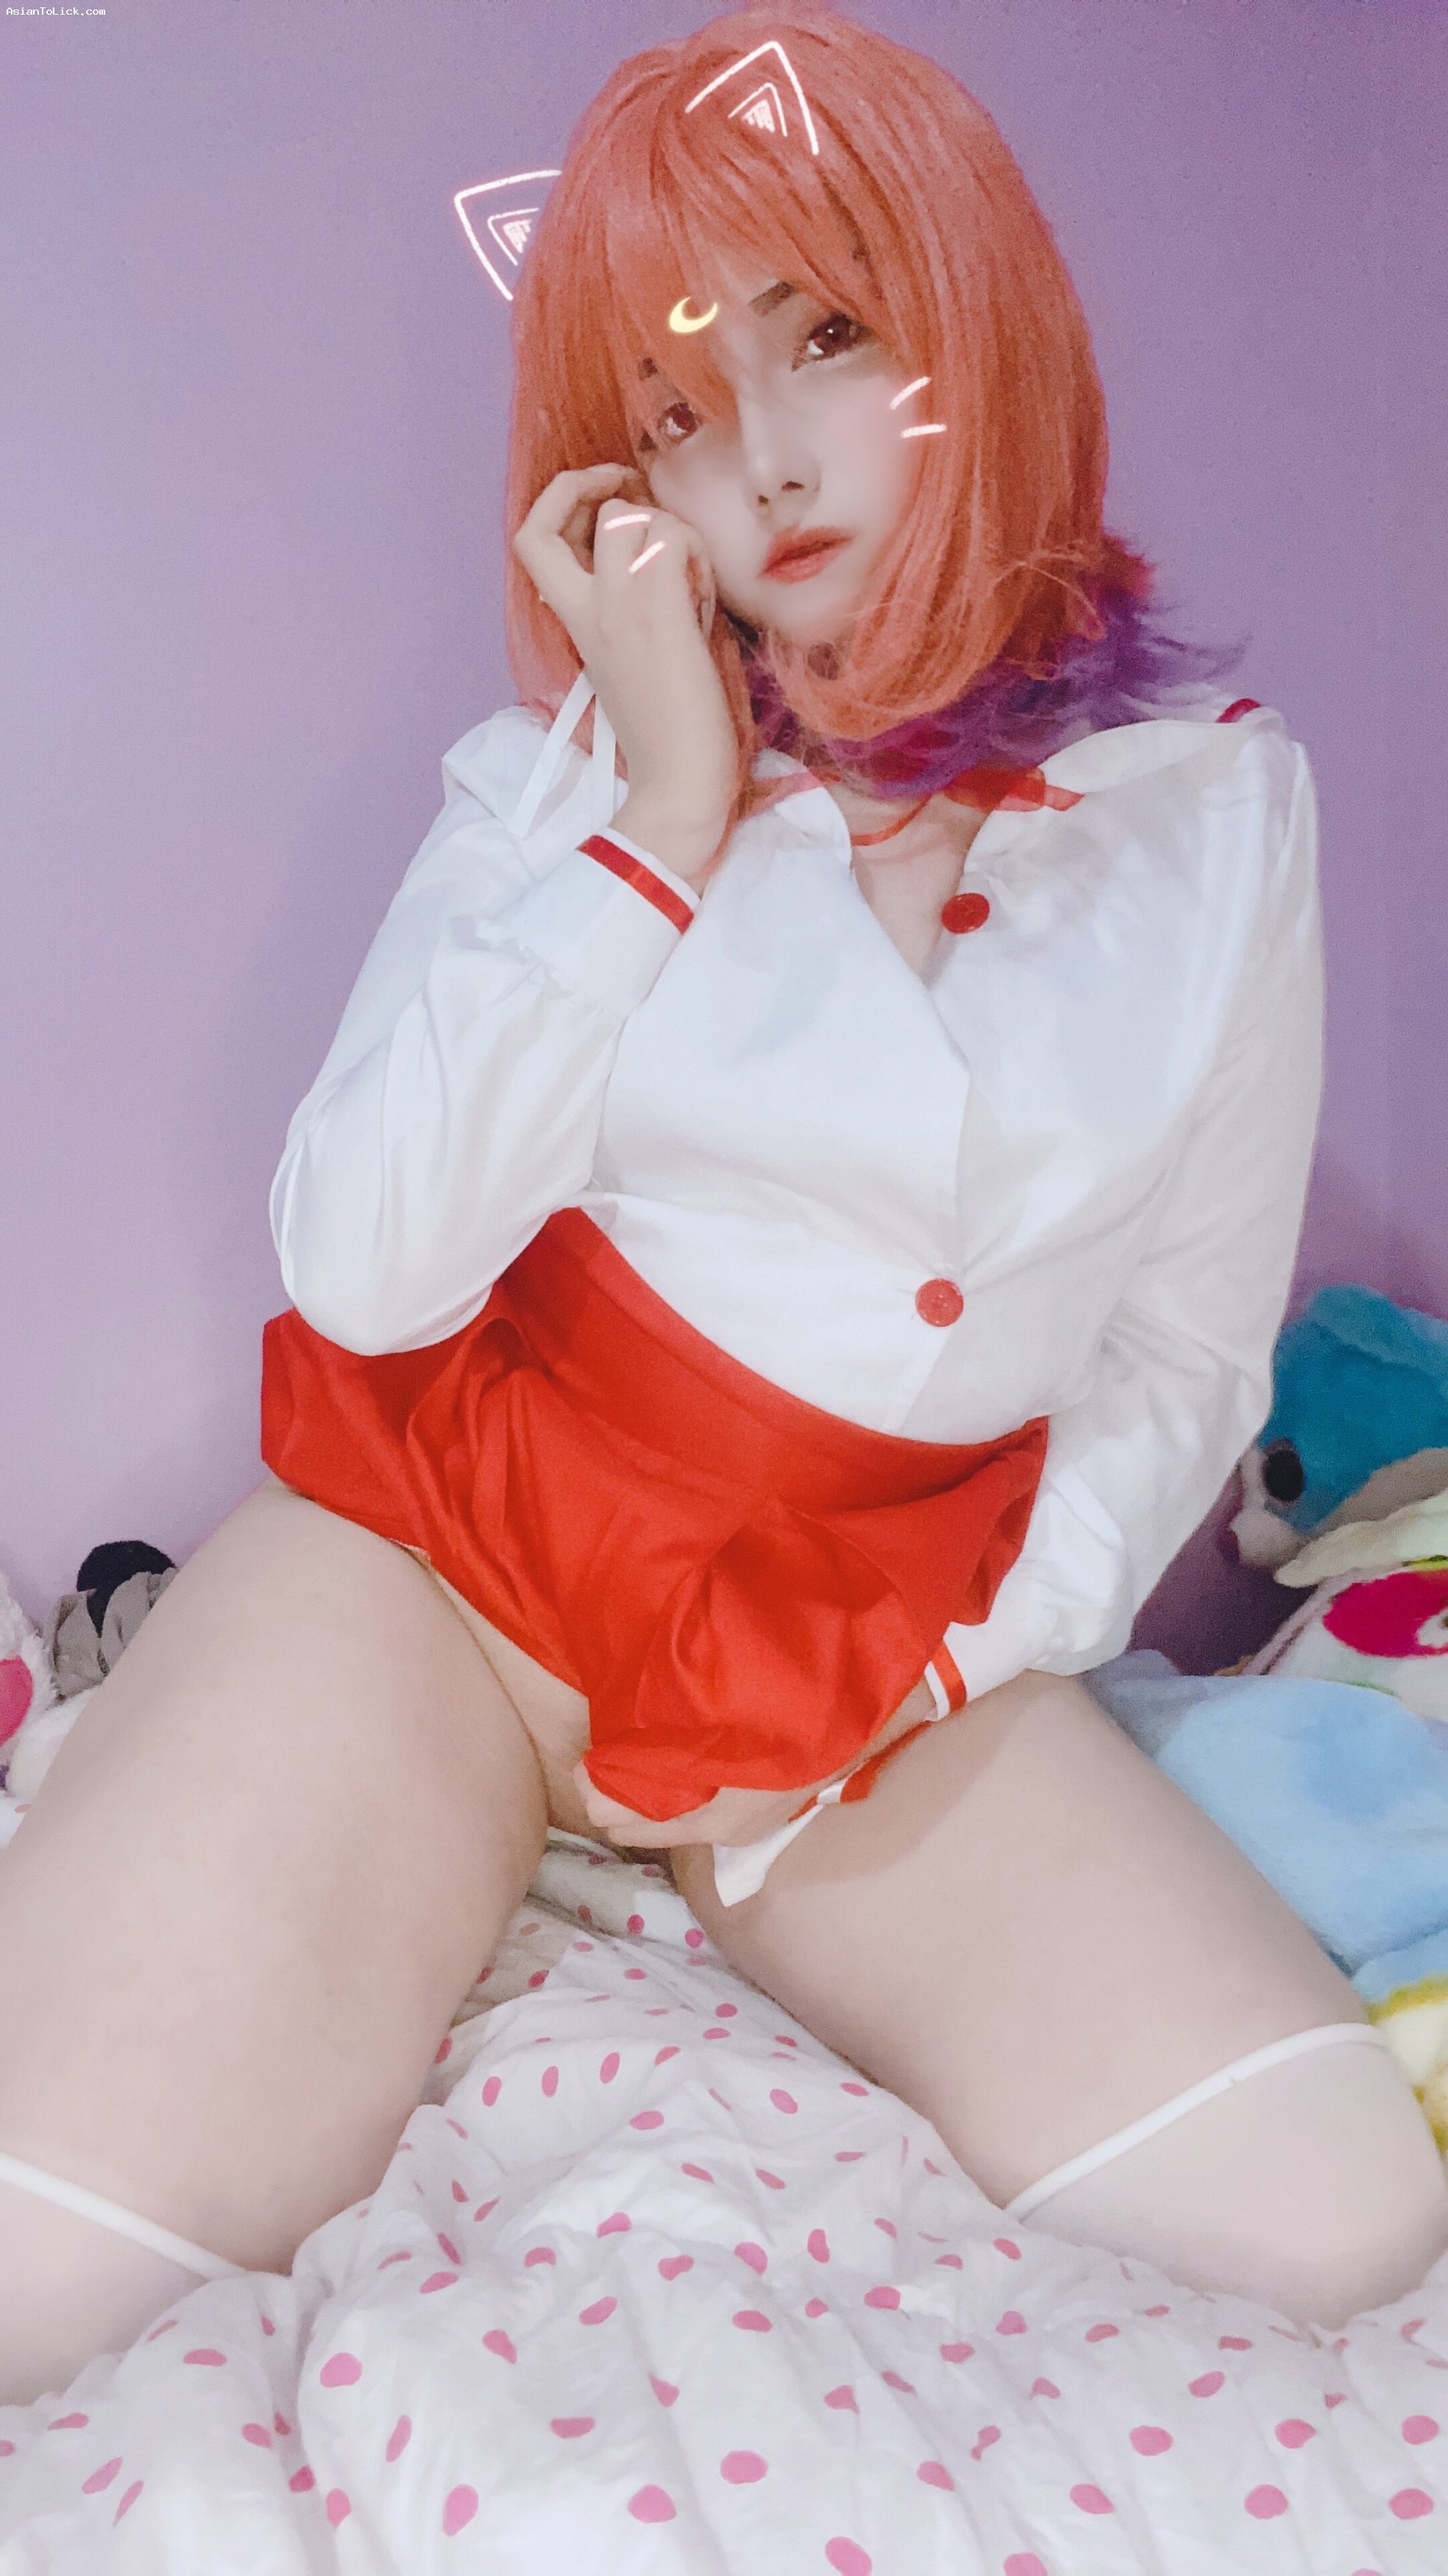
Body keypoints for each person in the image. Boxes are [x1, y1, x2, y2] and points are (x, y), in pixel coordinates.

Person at [2, 1, 1444, 2412]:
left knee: (1339, 2218)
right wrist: (660, 820)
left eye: (827, 338)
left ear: (975, 318)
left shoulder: (1216, 811)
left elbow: (1187, 1348)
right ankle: (215, 1688)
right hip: (457, 1566)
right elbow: (361, 1265)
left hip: (867, 1637)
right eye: (675, 408)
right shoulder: (558, 779)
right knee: (40, 2269)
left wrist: (961, 1659)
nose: (760, 458)